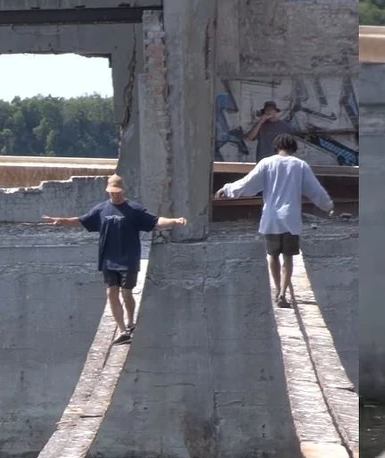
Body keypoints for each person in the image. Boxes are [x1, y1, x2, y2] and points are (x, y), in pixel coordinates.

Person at [42, 175, 187, 345]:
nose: (114, 195)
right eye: (111, 192)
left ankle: (131, 321)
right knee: (111, 292)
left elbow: (156, 221)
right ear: (107, 191)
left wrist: (175, 221)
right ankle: (123, 330)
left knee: (126, 293)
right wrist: (62, 221)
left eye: (117, 192)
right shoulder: (101, 209)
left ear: (122, 191)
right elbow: (82, 221)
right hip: (108, 259)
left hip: (128, 259)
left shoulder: (134, 210)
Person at [216, 134, 335, 308]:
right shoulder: (300, 165)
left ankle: (277, 288)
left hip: (271, 218)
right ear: (293, 148)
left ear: (276, 146)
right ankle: (283, 293)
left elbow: (247, 184)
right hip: (291, 218)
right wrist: (328, 205)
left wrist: (227, 189)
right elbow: (315, 190)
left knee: (272, 256)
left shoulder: (267, 163)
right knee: (288, 258)